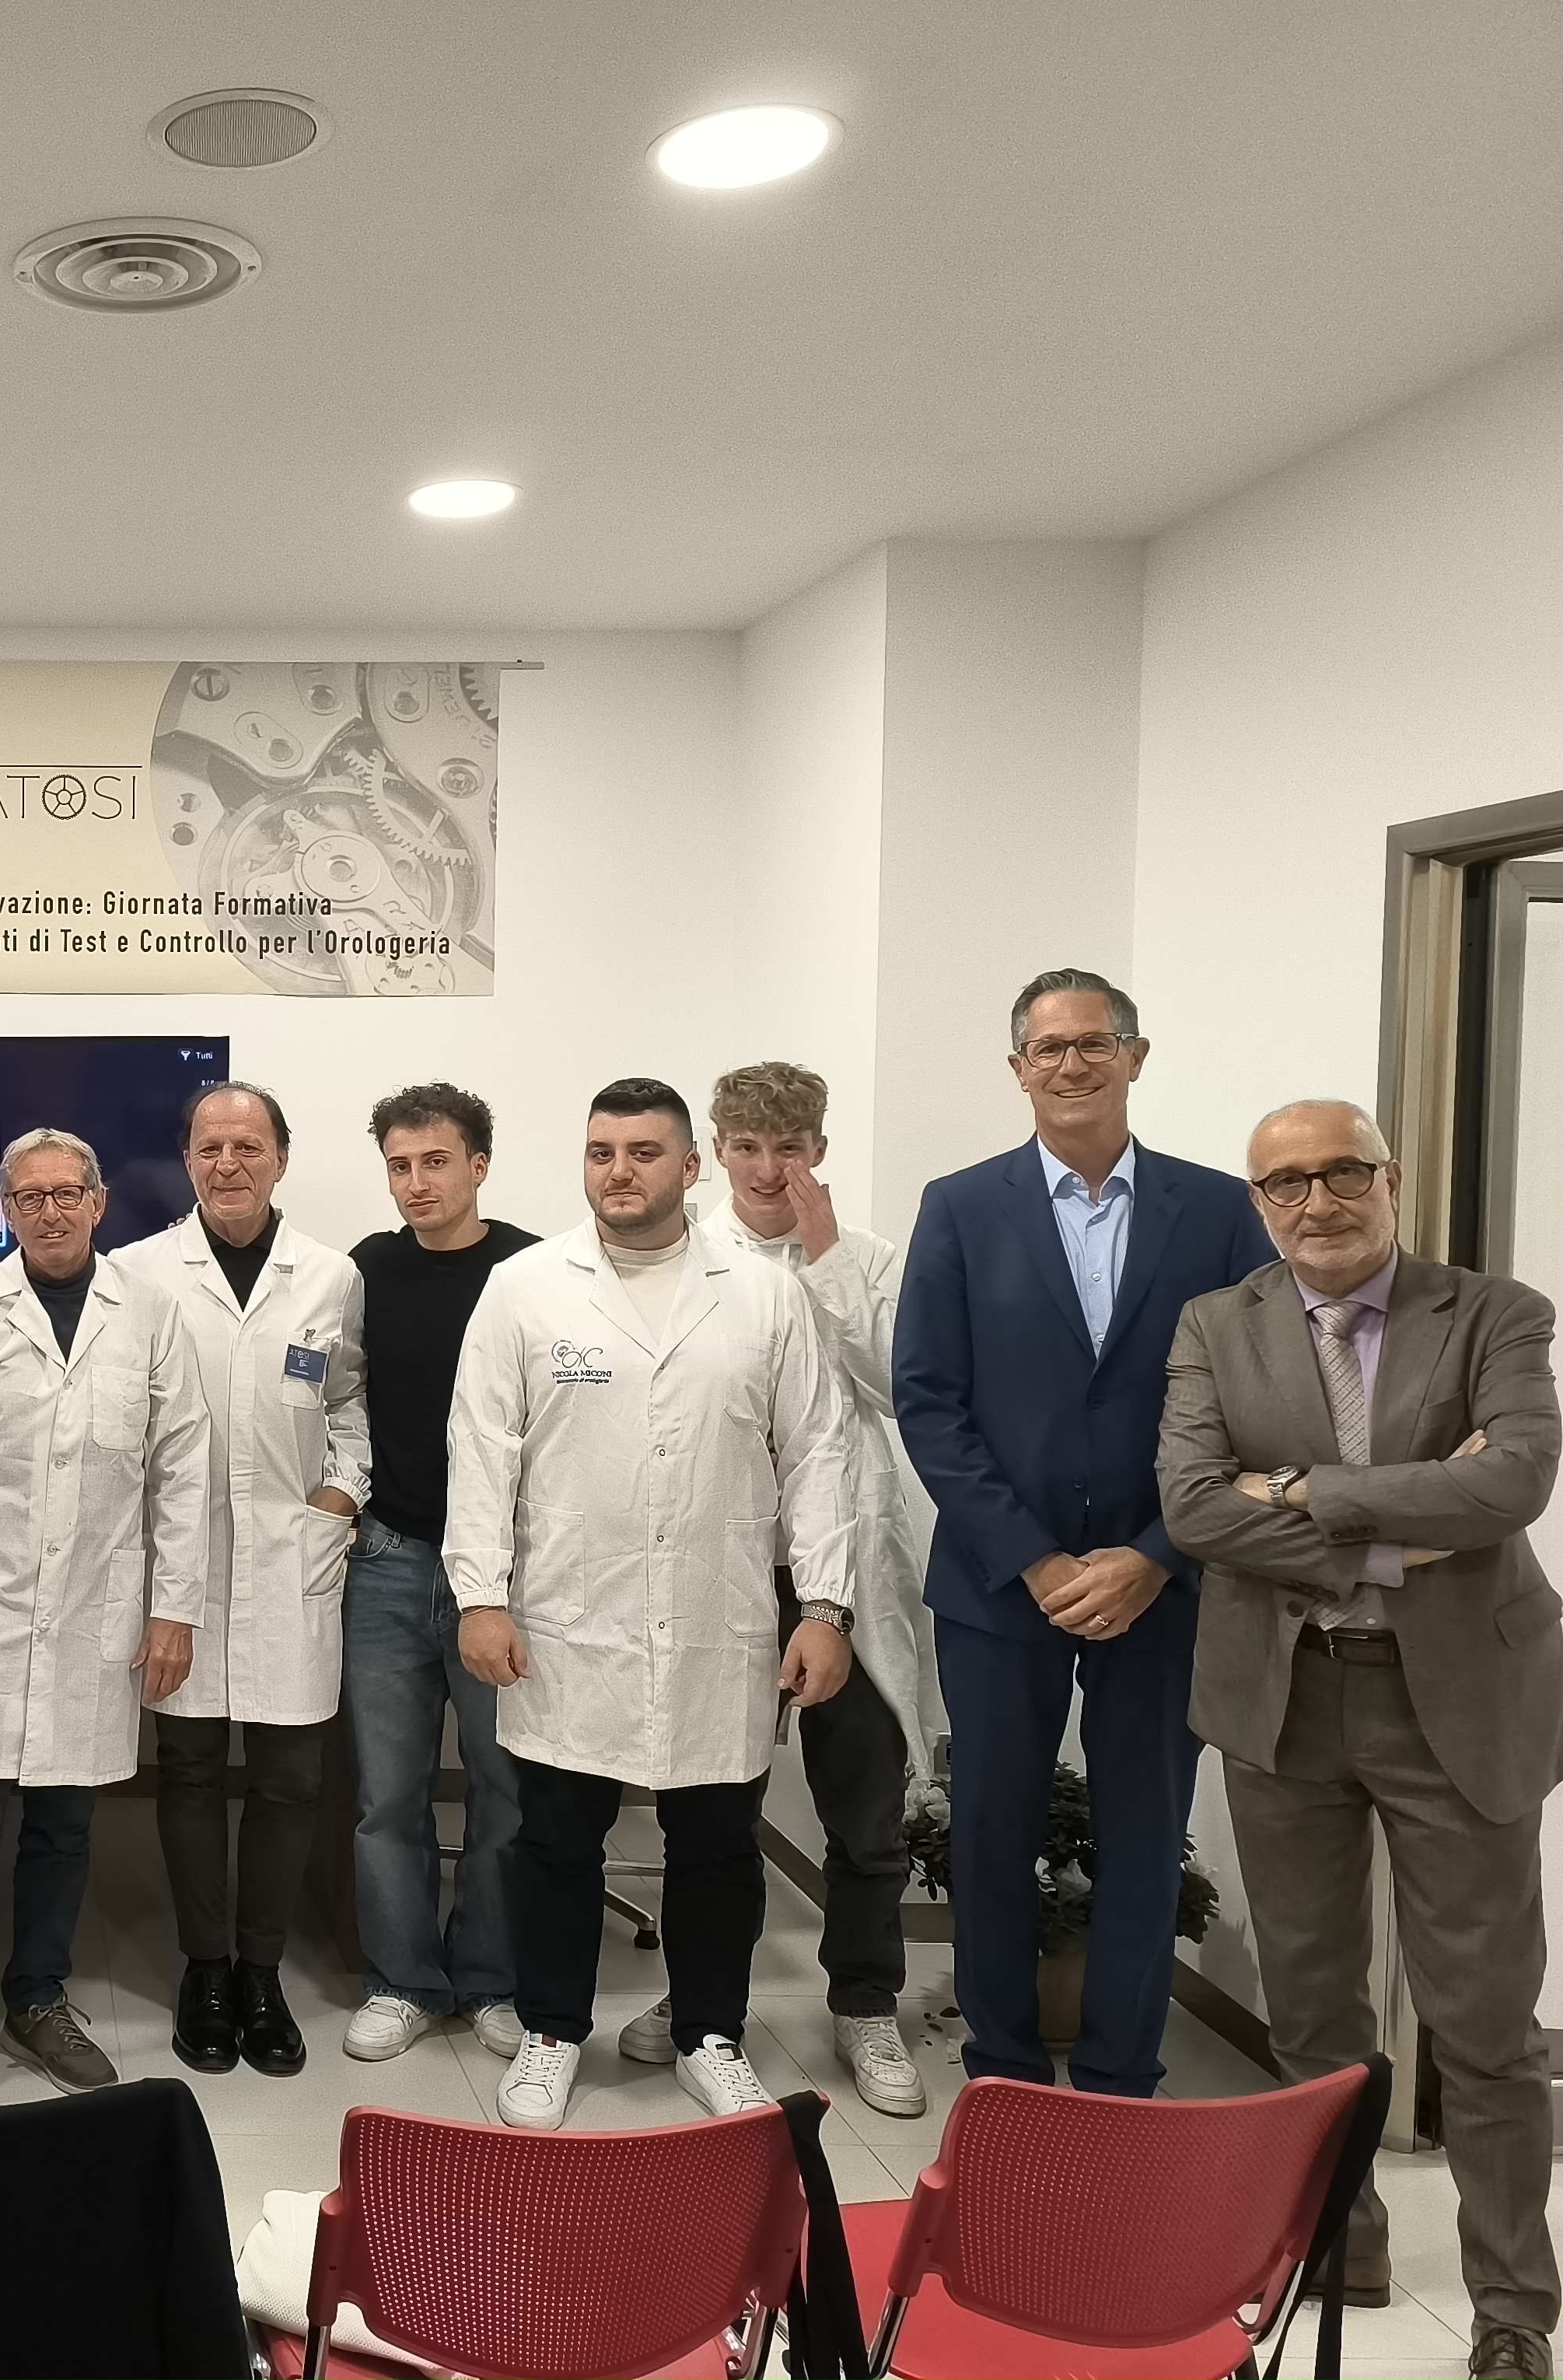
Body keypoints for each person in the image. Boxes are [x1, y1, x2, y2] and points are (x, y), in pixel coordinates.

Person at [1161, 1100, 1561, 2376]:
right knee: (1314, 2008)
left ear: (1391, 1180)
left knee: (1487, 2025)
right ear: (1259, 1203)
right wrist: (1393, 1540)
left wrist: (1295, 1493)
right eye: (1286, 1183)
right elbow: (1193, 1510)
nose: (1317, 1201)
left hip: (1461, 1703)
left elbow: (1511, 1484)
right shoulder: (1216, 1325)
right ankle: (1345, 2244)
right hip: (1287, 1699)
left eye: (1343, 1173)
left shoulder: (1495, 1313)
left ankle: (1514, 2313)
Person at [893, 968, 1276, 2098]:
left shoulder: (1219, 1211)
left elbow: (1257, 1405)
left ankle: (1119, 2077)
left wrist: (1158, 1555)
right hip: (998, 1584)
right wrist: (1036, 1557)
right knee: (991, 1833)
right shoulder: (961, 1206)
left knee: (1146, 1835)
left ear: (1134, 1058)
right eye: (1048, 1048)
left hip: (1165, 1585)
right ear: (1019, 1069)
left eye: (1093, 1043)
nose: (1071, 1064)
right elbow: (929, 1401)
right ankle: (1004, 2072)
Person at [447, 1077, 858, 2132]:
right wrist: (479, 1598)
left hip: (719, 1618)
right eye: (601, 1152)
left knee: (717, 1846)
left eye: (642, 1152)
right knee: (555, 1842)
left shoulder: (762, 1295)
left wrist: (826, 1606)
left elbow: (817, 1451)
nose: (619, 1171)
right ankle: (551, 2032)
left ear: (690, 1166)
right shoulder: (526, 1288)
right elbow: (481, 1452)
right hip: (567, 1621)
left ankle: (710, 2035)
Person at [609, 1062, 934, 2120]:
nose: (765, 1169)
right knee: (713, 1810)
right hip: (727, 1564)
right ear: (715, 1151)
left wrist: (828, 1260)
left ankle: (866, 2004)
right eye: (746, 1147)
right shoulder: (681, 1256)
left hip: (848, 1567)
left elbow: (902, 1389)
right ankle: (705, 2004)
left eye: (787, 1147)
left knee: (865, 1811)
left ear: (819, 1152)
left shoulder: (868, 1258)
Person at [0, 1127, 210, 2111]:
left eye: (67, 1193)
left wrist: (174, 1610)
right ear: (4, 1210)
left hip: (94, 1617)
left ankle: (37, 2000)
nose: (50, 1211)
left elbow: (182, 1468)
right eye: (28, 1197)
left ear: (99, 1202)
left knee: (65, 1833)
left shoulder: (149, 1314)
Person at [114, 1083, 365, 2081]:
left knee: (289, 1778)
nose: (229, 1164)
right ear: (187, 1160)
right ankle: (206, 1970)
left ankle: (262, 1974)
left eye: (248, 1146)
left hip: (292, 1556)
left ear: (281, 1159)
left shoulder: (331, 1276)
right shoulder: (139, 1274)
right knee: (185, 1769)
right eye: (210, 1147)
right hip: (177, 1563)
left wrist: (340, 1495)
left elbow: (349, 1405)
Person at [341, 1083, 538, 2066]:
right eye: (399, 1166)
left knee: (506, 1788)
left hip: (500, 1575)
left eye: (434, 1163)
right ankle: (404, 1980)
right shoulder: (368, 1270)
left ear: (479, 1166)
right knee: (388, 1793)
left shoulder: (534, 1272)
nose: (416, 1183)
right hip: (388, 1561)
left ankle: (492, 1980)